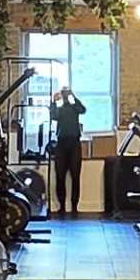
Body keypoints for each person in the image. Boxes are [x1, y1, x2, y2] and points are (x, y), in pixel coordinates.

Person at [47, 87, 87, 218]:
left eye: (66, 92)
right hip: (61, 144)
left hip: (74, 143)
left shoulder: (75, 107)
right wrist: (53, 101)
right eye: (64, 93)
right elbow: (52, 115)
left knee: (76, 176)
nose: (65, 95)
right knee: (60, 176)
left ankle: (74, 206)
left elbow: (83, 110)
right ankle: (62, 206)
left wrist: (73, 96)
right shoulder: (60, 110)